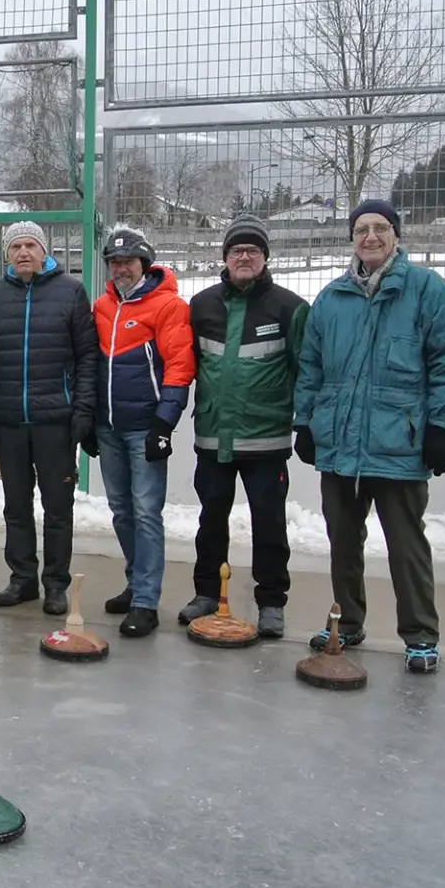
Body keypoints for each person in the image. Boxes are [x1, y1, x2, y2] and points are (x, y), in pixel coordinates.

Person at [293, 200, 445, 674]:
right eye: (361, 230)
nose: (369, 237)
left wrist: (440, 426)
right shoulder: (332, 299)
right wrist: (305, 422)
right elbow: (311, 367)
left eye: (379, 228)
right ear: (351, 239)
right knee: (343, 541)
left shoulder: (426, 291)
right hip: (339, 445)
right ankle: (347, 621)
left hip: (400, 444)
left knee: (406, 545)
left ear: (396, 234)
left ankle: (419, 635)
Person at [179, 216, 309, 639]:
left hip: (267, 439)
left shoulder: (290, 307)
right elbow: (185, 365)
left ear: (266, 257)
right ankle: (205, 593)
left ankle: (271, 601)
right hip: (214, 438)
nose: (245, 256)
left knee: (269, 523)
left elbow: (306, 372)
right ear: (225, 258)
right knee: (211, 520)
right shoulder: (202, 305)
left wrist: (306, 424)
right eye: (237, 250)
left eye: (253, 250)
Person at [0, 221, 96, 614]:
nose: (23, 252)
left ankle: (56, 584)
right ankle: (22, 579)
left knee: (58, 507)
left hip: (55, 419)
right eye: (15, 247)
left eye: (30, 245)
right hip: (9, 419)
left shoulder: (70, 292)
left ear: (44, 251)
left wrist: (83, 410)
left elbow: (87, 358)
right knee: (16, 506)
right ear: (6, 254)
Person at [87, 227, 195, 637]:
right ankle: (135, 585)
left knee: (147, 513)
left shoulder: (167, 306)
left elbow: (180, 365)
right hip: (109, 428)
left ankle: (147, 601)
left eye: (128, 262)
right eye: (114, 263)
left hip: (145, 428)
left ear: (144, 264)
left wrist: (165, 422)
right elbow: (93, 367)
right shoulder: (101, 307)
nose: (120, 269)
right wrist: (91, 421)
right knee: (121, 511)